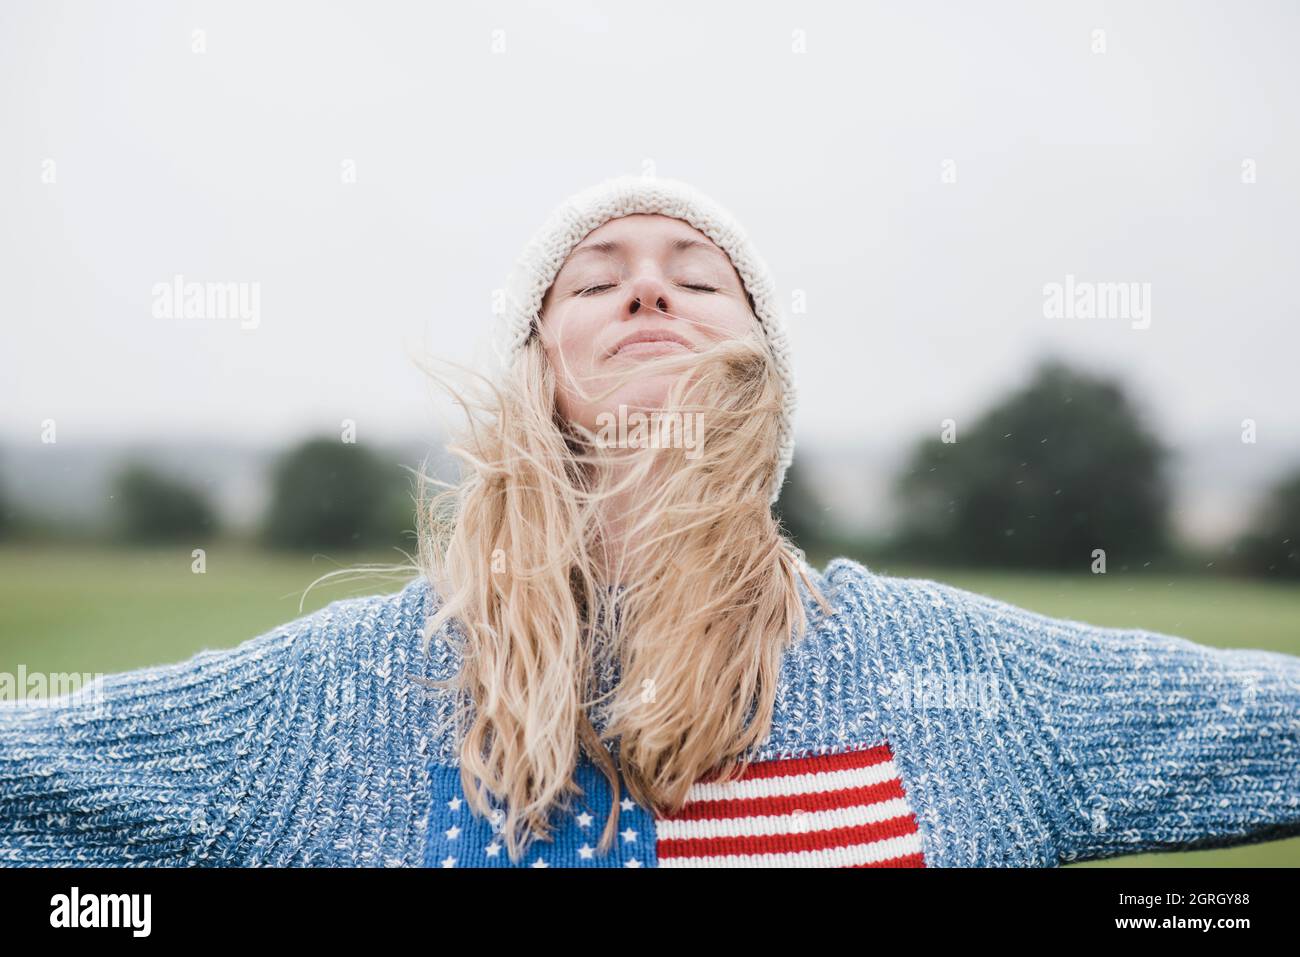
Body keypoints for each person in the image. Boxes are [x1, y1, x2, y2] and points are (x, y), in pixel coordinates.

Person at [2, 176, 1297, 869]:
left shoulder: (954, 671)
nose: (648, 296)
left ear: (763, 368)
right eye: (597, 279)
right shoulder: (349, 692)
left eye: (697, 279)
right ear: (536, 359)